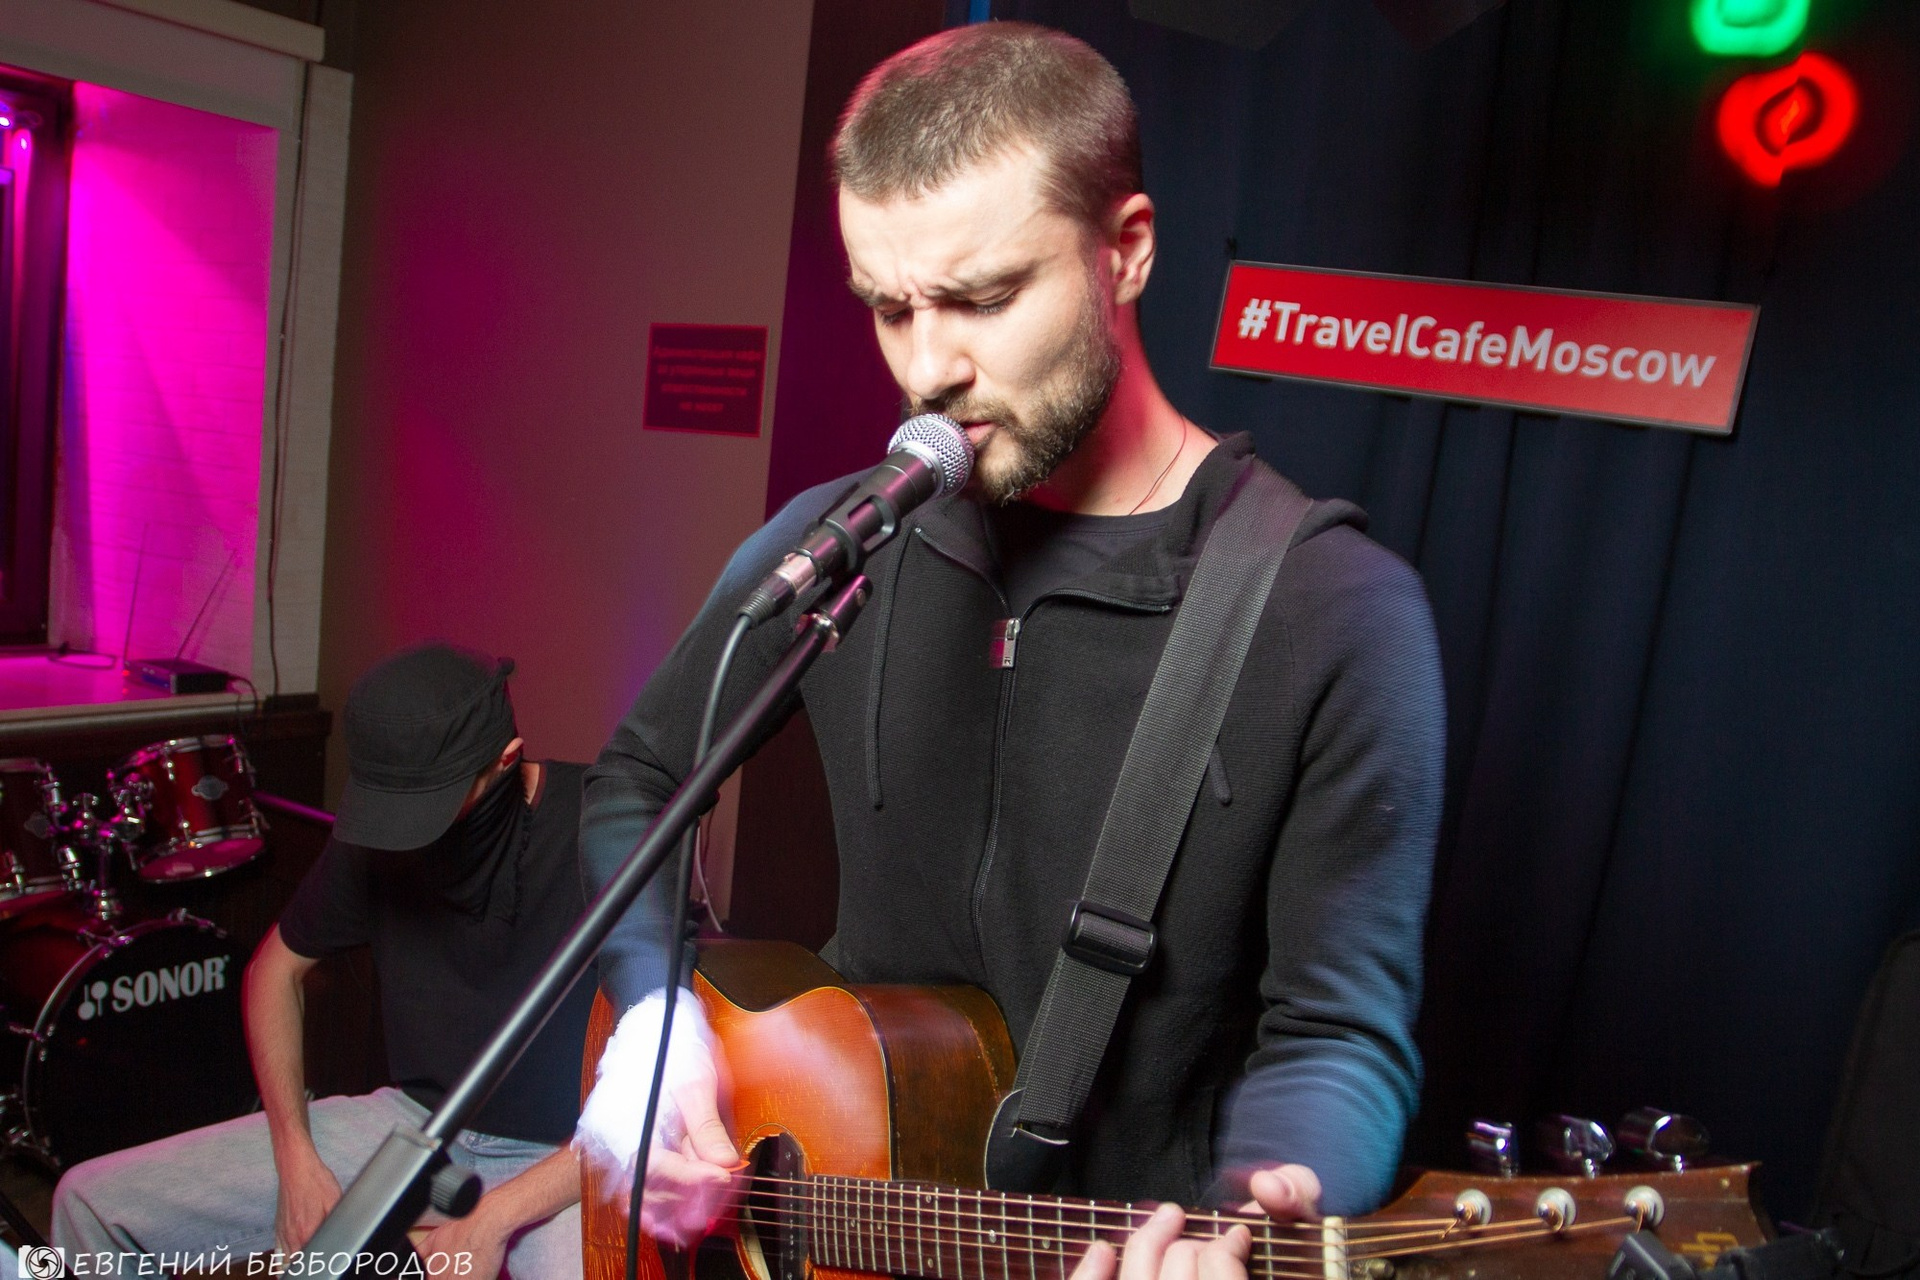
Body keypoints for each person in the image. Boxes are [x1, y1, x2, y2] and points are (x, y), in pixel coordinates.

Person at [576, 18, 1445, 1275]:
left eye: (983, 298)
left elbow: (1338, 1033)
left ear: (1124, 250)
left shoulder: (1335, 610)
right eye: (890, 307)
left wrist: (1268, 1211)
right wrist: (657, 1024)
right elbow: (637, 780)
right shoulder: (838, 540)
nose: (929, 367)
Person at [52, 644, 596, 1279]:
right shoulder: (382, 836)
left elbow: (659, 1093)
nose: (403, 832)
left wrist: (495, 1217)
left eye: (425, 810)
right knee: (88, 1201)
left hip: (565, 1156)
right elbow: (273, 972)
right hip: (416, 1127)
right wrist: (296, 1156)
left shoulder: (601, 824)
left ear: (503, 761)